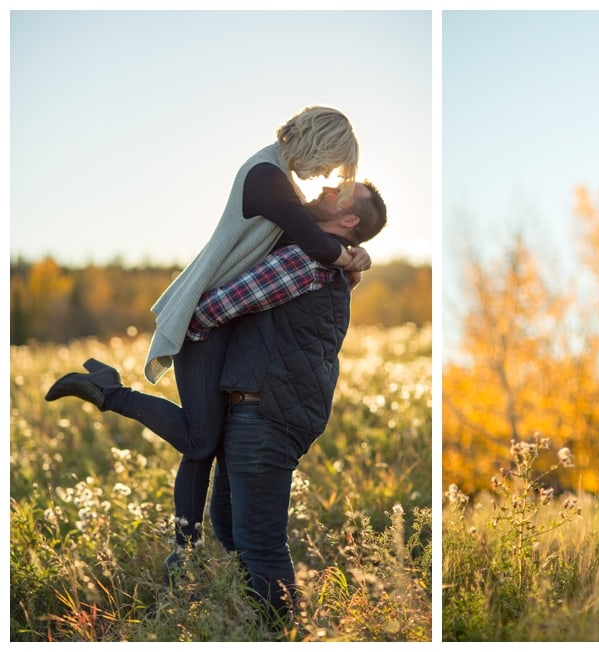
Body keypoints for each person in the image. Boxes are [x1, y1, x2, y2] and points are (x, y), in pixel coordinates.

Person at [44, 106, 372, 568]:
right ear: (320, 143)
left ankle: (185, 550)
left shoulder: (281, 178)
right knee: (201, 440)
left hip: (217, 318)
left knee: (208, 439)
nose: (324, 175)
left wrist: (350, 258)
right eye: (329, 162)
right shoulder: (267, 175)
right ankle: (109, 394)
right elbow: (315, 247)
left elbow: (308, 251)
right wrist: (354, 257)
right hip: (202, 316)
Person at [197, 180, 385, 626]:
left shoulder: (306, 261)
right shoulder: (324, 259)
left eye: (340, 189)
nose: (326, 185)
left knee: (258, 541)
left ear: (349, 219)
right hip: (265, 408)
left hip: (266, 412)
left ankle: (280, 633)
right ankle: (263, 622)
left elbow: (215, 307)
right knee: (227, 524)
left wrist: (182, 309)